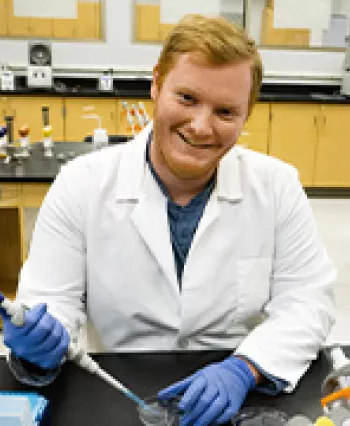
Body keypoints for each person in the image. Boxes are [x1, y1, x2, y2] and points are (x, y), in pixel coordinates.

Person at [0, 14, 336, 426]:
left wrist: (243, 368)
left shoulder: (277, 187)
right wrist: (38, 345)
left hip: (237, 400)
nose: (200, 126)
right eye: (187, 98)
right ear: (156, 84)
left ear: (247, 114)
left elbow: (308, 302)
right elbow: (50, 304)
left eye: (226, 112)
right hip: (119, 394)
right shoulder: (82, 185)